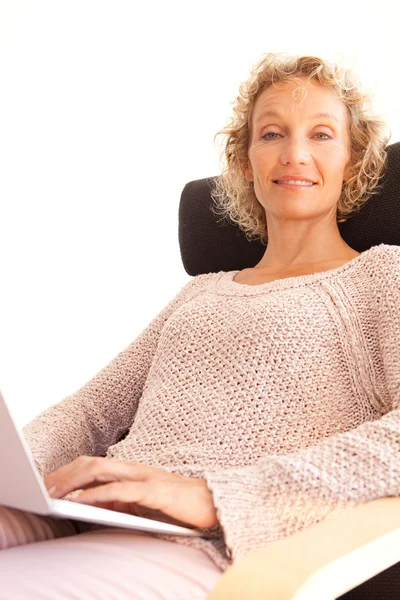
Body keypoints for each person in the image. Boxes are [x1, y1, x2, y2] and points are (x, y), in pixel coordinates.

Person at [1, 51, 399, 600]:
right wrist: (17, 474)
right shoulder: (203, 289)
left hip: (206, 544)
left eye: (323, 134)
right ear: (244, 159)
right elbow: (90, 412)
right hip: (87, 512)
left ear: (353, 160)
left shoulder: (380, 275)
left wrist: (218, 495)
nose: (295, 154)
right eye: (272, 134)